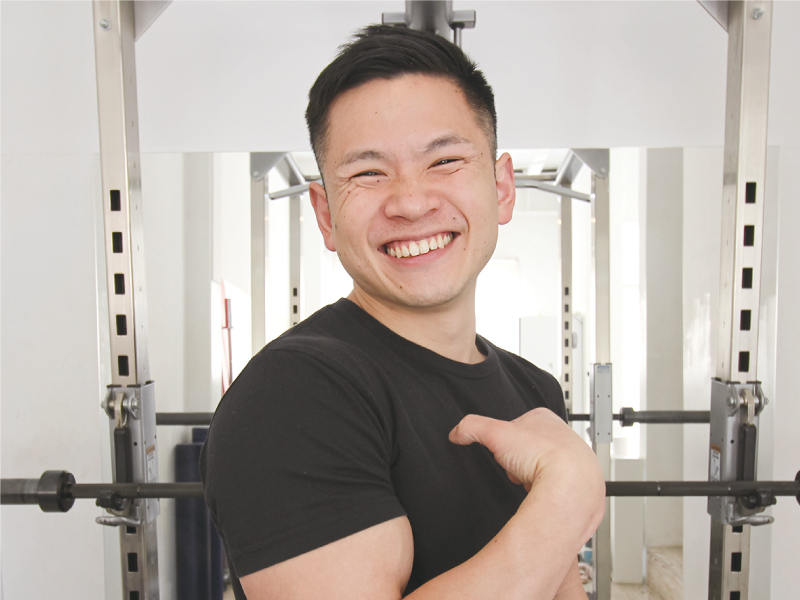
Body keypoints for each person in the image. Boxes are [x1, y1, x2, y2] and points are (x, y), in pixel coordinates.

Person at [201, 24, 604, 600]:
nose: (412, 202)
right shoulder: (292, 394)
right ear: (325, 215)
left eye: (445, 160)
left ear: (502, 188)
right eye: (369, 172)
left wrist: (564, 500)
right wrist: (564, 499)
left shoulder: (535, 391)